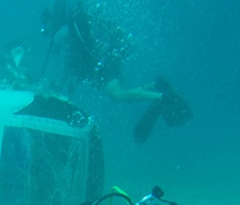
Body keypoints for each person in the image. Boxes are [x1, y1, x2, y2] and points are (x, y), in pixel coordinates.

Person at [39, 0, 192, 143]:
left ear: (51, 20)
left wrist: (54, 88)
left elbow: (66, 67)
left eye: (46, 26)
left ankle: (161, 97)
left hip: (99, 68)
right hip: (105, 60)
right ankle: (155, 85)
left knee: (118, 95)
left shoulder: (61, 34)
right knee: (125, 92)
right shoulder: (71, 27)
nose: (46, 31)